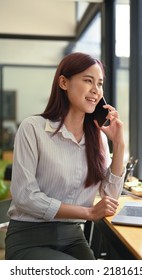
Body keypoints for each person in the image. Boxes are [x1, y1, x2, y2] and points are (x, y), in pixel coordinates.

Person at [5, 52, 125, 260]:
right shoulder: (33, 128)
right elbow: (25, 196)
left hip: (72, 238)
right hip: (28, 238)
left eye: (99, 84)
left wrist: (120, 145)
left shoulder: (97, 138)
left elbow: (110, 198)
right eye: (88, 81)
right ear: (63, 82)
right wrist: (88, 213)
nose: (95, 91)